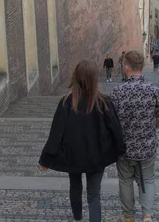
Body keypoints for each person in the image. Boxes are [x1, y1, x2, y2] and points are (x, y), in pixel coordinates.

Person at [39, 59, 126, 222]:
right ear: (95, 78)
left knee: (75, 187)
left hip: (73, 154)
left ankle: (78, 219)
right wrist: (121, 149)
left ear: (76, 77)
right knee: (94, 194)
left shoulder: (66, 102)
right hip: (97, 155)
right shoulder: (104, 102)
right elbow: (115, 128)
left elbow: (56, 133)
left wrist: (45, 158)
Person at [110, 50, 159, 222]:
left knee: (125, 181)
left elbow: (110, 122)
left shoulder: (117, 92)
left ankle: (128, 216)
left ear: (126, 67)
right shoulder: (153, 90)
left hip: (124, 148)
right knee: (148, 179)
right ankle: (147, 215)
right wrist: (152, 126)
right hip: (147, 145)